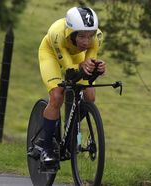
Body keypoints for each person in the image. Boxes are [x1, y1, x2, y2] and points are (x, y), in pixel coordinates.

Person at [28, 7, 106, 165]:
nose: (86, 41)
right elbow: (70, 72)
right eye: (82, 36)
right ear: (71, 32)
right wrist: (82, 68)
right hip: (51, 54)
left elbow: (88, 66)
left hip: (76, 57)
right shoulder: (57, 33)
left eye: (89, 36)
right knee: (57, 96)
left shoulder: (97, 37)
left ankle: (71, 131)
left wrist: (97, 68)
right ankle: (47, 147)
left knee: (89, 97)